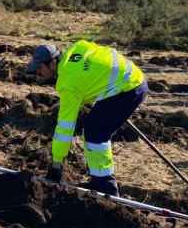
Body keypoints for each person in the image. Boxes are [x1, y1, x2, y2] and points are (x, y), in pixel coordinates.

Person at [26, 40, 149, 197]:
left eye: (39, 68)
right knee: (94, 127)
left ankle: (106, 186)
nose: (37, 73)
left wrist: (56, 164)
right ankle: (99, 180)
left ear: (52, 63)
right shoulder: (77, 48)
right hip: (130, 77)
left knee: (95, 132)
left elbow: (65, 128)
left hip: (129, 88)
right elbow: (95, 69)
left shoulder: (68, 84)